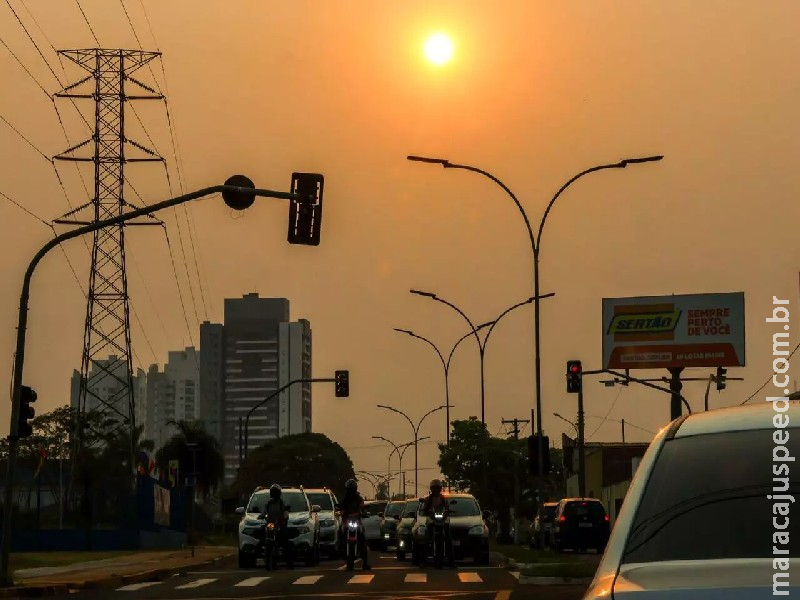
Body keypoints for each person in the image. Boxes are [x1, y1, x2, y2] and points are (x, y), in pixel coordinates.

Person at [420, 479, 454, 568]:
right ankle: (424, 560)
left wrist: (448, 511)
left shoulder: (443, 499)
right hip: (432, 520)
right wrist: (426, 511)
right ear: (431, 489)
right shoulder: (428, 499)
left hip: (442, 521)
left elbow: (447, 508)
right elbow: (424, 509)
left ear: (440, 489)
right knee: (427, 539)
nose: (436, 490)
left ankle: (451, 561)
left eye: (437, 488)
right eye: (434, 488)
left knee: (448, 539)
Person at [338, 478, 371, 570]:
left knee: (362, 538)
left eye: (352, 489)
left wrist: (364, 512)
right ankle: (340, 550)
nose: (351, 491)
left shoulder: (359, 498)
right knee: (341, 534)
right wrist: (341, 513)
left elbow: (362, 508)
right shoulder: (344, 500)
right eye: (350, 489)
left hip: (357, 522)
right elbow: (341, 510)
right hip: (347, 522)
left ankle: (365, 563)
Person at [263, 483, 294, 569]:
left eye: (275, 492)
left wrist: (283, 519)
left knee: (286, 543)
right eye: (273, 492)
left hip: (280, 524)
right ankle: (268, 560)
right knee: (267, 541)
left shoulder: (281, 503)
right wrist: (262, 515)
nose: (274, 494)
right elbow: (265, 512)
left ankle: (289, 562)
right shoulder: (269, 503)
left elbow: (284, 512)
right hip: (271, 524)